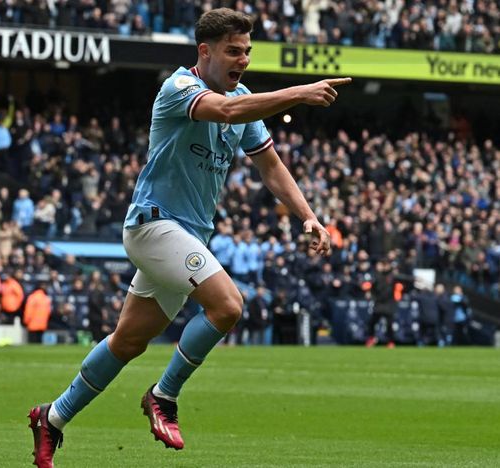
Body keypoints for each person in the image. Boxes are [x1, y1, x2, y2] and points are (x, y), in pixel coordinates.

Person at [28, 8, 348, 466]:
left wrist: (308, 216)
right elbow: (228, 110)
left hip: (187, 237)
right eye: (233, 51)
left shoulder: (242, 98)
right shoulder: (180, 88)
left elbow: (270, 165)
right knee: (228, 306)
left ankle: (52, 418)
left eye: (247, 52)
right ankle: (164, 396)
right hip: (153, 225)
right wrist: (299, 92)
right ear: (206, 51)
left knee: (127, 342)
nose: (243, 60)